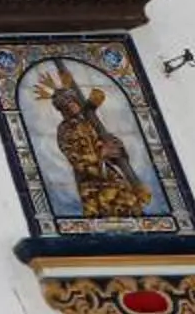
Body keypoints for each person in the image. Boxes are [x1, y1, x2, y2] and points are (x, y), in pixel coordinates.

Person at [32, 61, 152, 219]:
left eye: (73, 102)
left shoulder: (88, 122)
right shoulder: (65, 130)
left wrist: (116, 147)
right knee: (102, 214)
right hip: (91, 184)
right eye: (67, 104)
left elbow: (102, 140)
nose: (72, 106)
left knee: (130, 206)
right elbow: (76, 160)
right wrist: (102, 154)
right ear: (62, 109)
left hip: (110, 174)